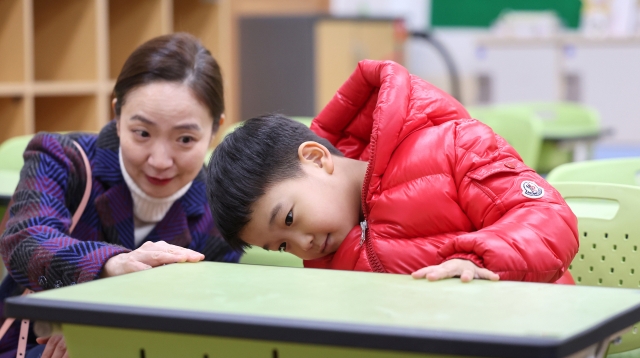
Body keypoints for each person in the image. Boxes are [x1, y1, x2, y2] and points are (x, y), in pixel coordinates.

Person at [0, 33, 240, 358]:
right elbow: (26, 240)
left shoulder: (218, 208)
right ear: (117, 113)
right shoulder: (62, 158)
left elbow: (214, 303)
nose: (160, 160)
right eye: (142, 133)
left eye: (185, 140)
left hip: (153, 357)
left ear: (215, 129)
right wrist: (111, 267)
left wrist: (107, 327)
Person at [206, 59, 578, 284]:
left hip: (532, 345)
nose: (302, 244)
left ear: (317, 159)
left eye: (289, 218)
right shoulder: (326, 257)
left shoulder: (454, 147)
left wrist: (478, 261)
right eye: (282, 246)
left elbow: (549, 219)